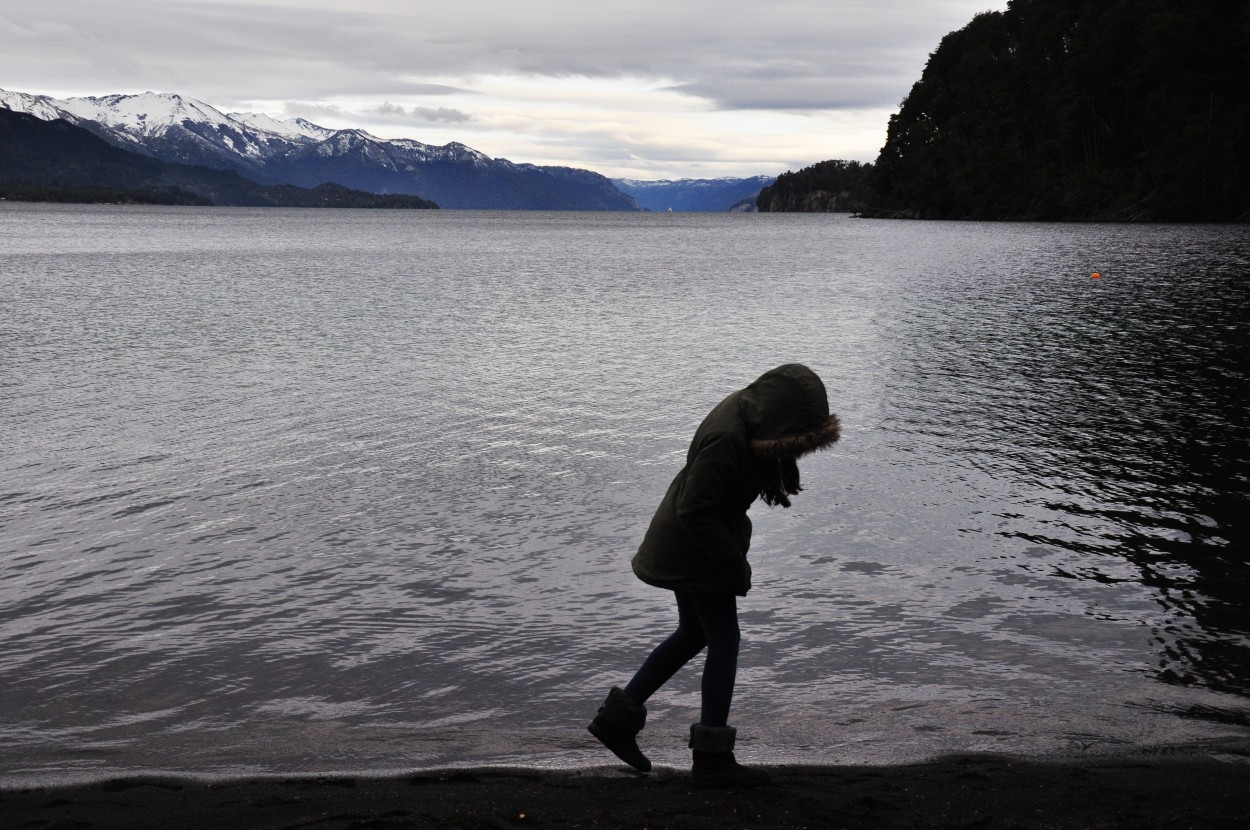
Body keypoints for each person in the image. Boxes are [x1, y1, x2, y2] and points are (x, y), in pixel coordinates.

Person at [588, 364, 841, 787]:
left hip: (689, 539)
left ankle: (617, 721)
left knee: (693, 633)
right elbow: (695, 510)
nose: (795, 451)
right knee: (724, 641)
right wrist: (733, 562)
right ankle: (711, 759)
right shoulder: (728, 437)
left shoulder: (747, 412)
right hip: (694, 546)